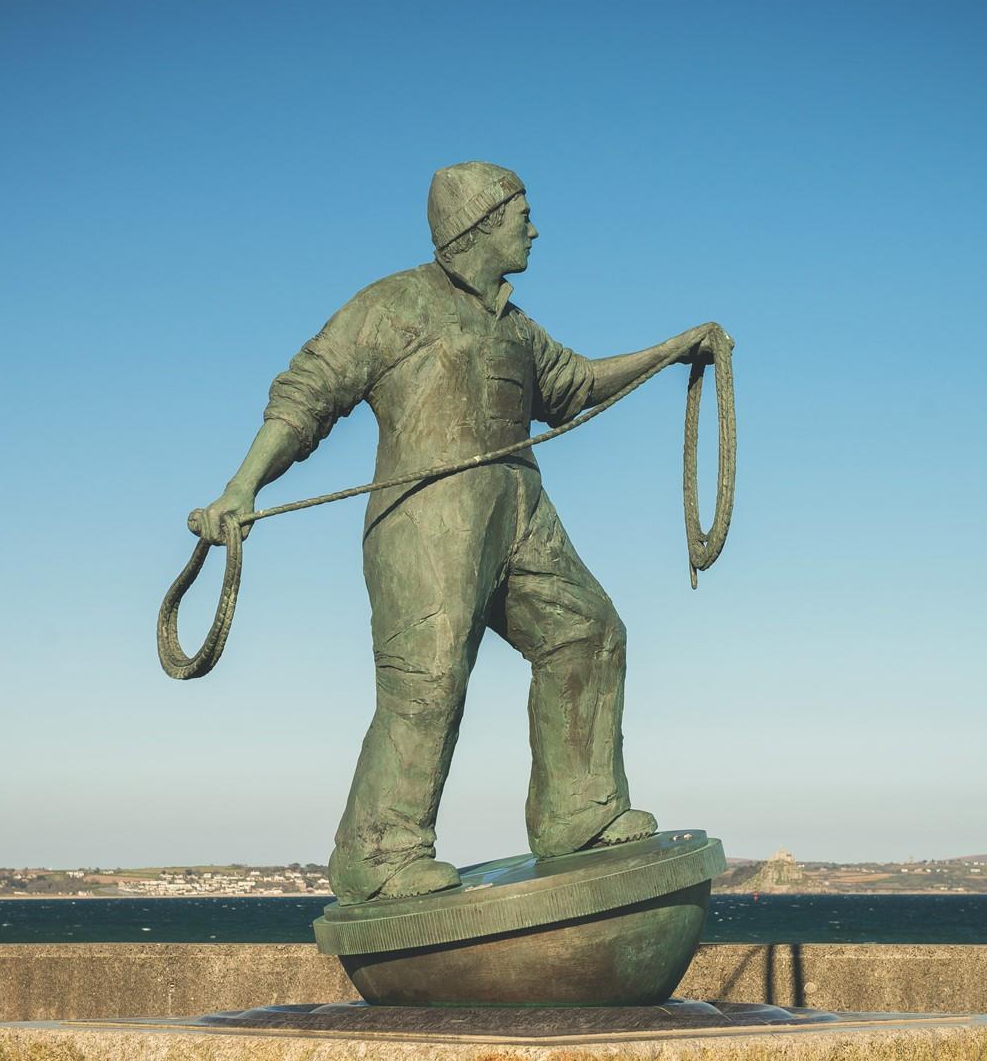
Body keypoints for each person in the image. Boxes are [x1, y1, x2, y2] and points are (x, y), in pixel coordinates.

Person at [192, 162, 726, 904]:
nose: (534, 229)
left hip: (520, 511)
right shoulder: (393, 305)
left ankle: (579, 810)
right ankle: (378, 854)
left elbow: (573, 389)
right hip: (425, 518)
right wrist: (242, 486)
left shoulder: (516, 327)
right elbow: (308, 393)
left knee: (589, 633)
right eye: (522, 214)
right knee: (428, 681)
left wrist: (671, 351)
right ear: (480, 223)